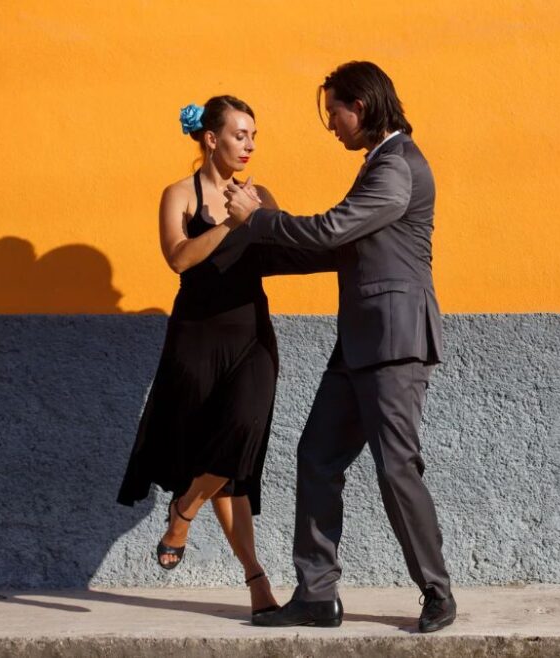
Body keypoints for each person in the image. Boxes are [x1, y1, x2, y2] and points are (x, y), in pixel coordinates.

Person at [223, 61, 455, 633]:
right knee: (317, 459)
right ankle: (317, 594)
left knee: (396, 469)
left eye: (335, 113)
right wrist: (255, 255)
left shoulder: (397, 167)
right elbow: (340, 250)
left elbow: (330, 231)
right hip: (358, 344)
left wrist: (261, 218)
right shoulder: (379, 166)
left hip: (394, 343)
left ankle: (437, 592)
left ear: (363, 105)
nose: (331, 126)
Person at [117, 95, 333, 619]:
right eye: (240, 135)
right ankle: (257, 584)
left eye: (254, 136)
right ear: (211, 139)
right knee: (223, 461)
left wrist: (312, 238)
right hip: (195, 338)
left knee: (243, 431)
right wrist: (232, 225)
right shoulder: (179, 194)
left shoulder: (259, 195)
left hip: (251, 334)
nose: (250, 146)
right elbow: (178, 257)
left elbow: (286, 249)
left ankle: (184, 507)